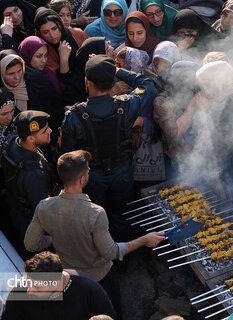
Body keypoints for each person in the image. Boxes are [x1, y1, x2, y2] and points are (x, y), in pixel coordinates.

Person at [24, 150, 166, 318]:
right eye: (88, 171)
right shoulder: (95, 213)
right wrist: (144, 240)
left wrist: (54, 238)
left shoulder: (44, 206)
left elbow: (30, 244)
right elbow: (110, 252)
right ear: (82, 179)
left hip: (68, 280)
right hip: (99, 281)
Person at [56, 55, 155, 242]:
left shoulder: (74, 116)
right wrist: (117, 70)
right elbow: (146, 83)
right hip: (122, 172)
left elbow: (64, 157)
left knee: (96, 219)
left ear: (88, 82)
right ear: (112, 82)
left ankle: (103, 258)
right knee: (122, 216)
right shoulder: (128, 105)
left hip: (91, 176)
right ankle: (122, 257)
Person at [1, 111, 59, 255]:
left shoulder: (12, 142)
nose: (50, 131)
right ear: (31, 138)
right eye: (44, 131)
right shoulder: (34, 175)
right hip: (31, 224)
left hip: (15, 212)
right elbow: (45, 211)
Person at [2, 251, 116, 320]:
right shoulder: (20, 291)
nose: (29, 291)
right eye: (28, 282)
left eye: (37, 287)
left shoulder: (89, 290)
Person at [34, 7, 86, 80]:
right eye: (46, 32)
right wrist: (63, 59)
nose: (52, 35)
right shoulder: (42, 51)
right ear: (39, 33)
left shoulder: (77, 33)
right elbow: (60, 83)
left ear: (60, 25)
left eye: (54, 28)